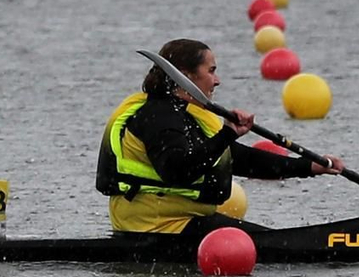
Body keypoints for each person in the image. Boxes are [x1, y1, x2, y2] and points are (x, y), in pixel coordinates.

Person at [97, 38, 345, 240]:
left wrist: (310, 167)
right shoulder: (158, 117)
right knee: (275, 244)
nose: (217, 80)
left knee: (269, 239)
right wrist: (226, 134)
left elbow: (237, 159)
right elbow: (178, 171)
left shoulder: (182, 113)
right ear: (186, 76)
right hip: (156, 227)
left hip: (177, 220)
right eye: (211, 71)